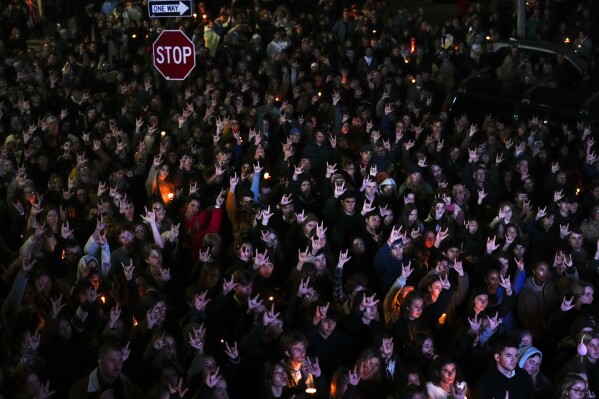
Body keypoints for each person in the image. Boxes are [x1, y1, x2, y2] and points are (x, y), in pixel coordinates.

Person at [69, 335, 143, 398]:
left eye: (120, 360)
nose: (117, 365)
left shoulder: (133, 388)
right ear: (100, 362)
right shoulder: (80, 389)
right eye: (112, 360)